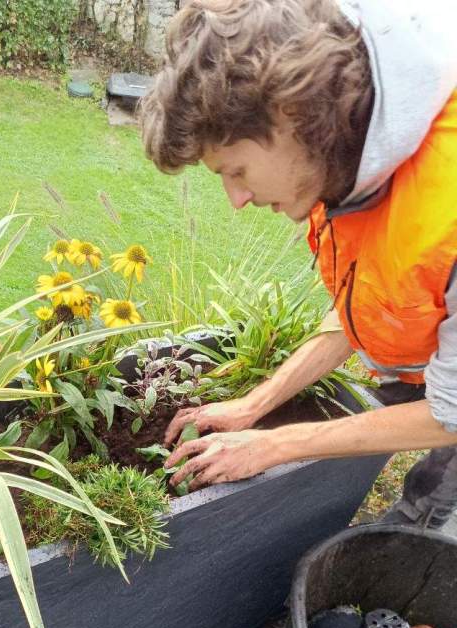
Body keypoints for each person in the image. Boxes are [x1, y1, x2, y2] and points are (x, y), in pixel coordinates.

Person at [139, 0, 457, 537]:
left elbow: (449, 414)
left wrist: (273, 444)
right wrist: (253, 405)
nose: (236, 199)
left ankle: (422, 531)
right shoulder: (344, 152)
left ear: (290, 115)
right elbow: (373, 295)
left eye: (235, 170)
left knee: (434, 509)